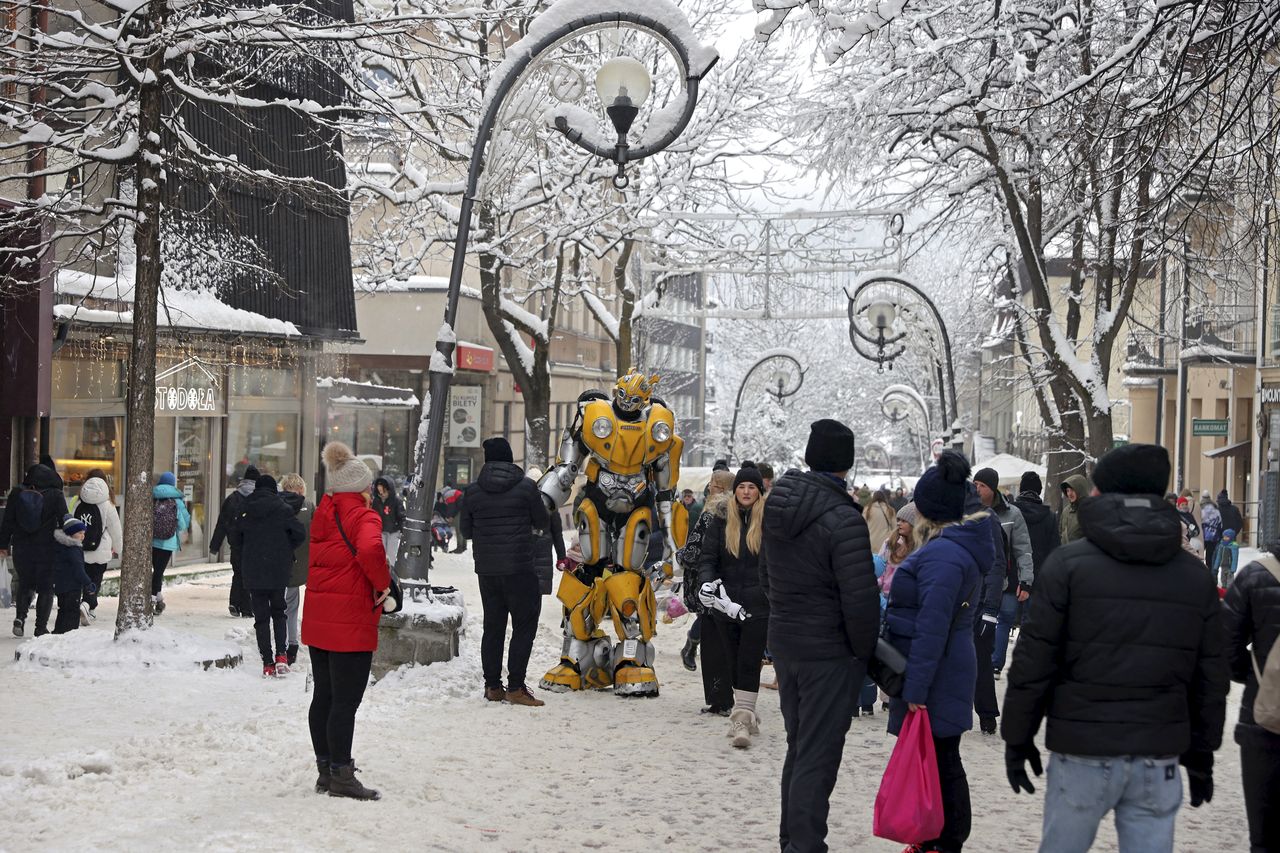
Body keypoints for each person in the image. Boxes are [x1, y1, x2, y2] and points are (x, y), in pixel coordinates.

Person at [1002, 444, 1228, 853]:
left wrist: (1018, 737)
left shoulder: (1068, 566)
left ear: (1101, 493)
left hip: (1082, 749)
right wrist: (1202, 751)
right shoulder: (1193, 577)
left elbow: (1034, 662)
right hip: (1156, 754)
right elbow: (1210, 675)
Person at [761, 419, 879, 853]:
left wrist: (787, 619)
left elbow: (766, 578)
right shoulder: (843, 518)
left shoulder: (777, 508)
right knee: (817, 755)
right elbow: (861, 600)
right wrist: (863, 655)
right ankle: (805, 846)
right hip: (829, 653)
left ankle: (792, 840)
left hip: (788, 644)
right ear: (845, 464)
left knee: (800, 749)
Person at [885, 451, 991, 853]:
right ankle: (935, 837)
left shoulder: (945, 554)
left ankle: (945, 840)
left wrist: (916, 688)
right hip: (943, 665)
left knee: (943, 760)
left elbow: (932, 626)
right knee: (940, 757)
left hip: (937, 670)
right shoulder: (952, 546)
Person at [303, 441, 390, 800]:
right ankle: (341, 773)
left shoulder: (324, 514)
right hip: (350, 621)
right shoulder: (364, 516)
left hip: (320, 619)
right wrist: (383, 584)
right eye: (368, 486)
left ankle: (326, 769)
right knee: (345, 701)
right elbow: (370, 550)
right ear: (359, 488)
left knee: (324, 695)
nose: (372, 491)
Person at [461, 437, 549, 707]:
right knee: (523, 626)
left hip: (487, 571)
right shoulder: (526, 488)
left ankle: (492, 686)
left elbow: (465, 532)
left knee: (493, 626)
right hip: (520, 568)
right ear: (510, 458)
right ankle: (516, 687)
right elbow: (542, 521)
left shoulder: (473, 492)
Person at [697, 463, 769, 748]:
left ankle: (741, 721)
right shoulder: (720, 520)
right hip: (725, 604)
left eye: (752, 487)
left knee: (749, 662)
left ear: (759, 492)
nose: (747, 492)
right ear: (734, 490)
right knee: (733, 663)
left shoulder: (768, 522)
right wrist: (706, 583)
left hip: (758, 604)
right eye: (742, 487)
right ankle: (748, 712)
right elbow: (707, 560)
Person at [1222, 541, 1280, 852]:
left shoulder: (1256, 577)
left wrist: (1258, 678)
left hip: (1264, 719)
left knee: (1264, 838)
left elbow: (1226, 644)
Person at [231, 474, 306, 677]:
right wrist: (285, 548)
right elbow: (300, 533)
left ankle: (267, 662)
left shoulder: (246, 507)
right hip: (277, 570)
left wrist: (247, 552)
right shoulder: (282, 508)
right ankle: (282, 656)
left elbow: (235, 537)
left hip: (253, 570)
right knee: (279, 612)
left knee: (261, 617)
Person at [677, 469, 735, 714]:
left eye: (712, 484)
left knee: (713, 648)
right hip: (730, 587)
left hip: (707, 584)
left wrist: (681, 556)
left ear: (719, 489)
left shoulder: (711, 514)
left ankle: (719, 699)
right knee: (727, 644)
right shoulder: (738, 513)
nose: (709, 488)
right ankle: (729, 696)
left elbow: (695, 550)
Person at [0, 463, 69, 637]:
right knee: (46, 587)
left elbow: (7, 521)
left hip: (22, 548)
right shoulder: (55, 495)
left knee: (25, 582)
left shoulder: (17, 493)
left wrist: (3, 545)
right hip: (47, 548)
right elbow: (64, 520)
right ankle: (40, 627)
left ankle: (20, 618)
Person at [73, 472, 122, 625]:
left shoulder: (79, 502)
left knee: (84, 579)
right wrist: (119, 549)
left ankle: (89, 608)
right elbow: (116, 529)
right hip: (100, 551)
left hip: (81, 549)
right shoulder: (108, 504)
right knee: (95, 580)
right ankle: (87, 604)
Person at [210, 465, 258, 617]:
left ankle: (234, 603)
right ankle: (246, 608)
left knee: (238, 574)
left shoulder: (232, 498)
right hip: (253, 544)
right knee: (249, 575)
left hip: (235, 544)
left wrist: (214, 546)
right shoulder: (259, 498)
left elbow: (222, 523)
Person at [279, 473, 313, 665]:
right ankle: (292, 644)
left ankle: (281, 645)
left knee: (276, 607)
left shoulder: (275, 505)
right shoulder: (309, 507)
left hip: (277, 563)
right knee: (292, 606)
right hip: (300, 564)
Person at [150, 472, 191, 615]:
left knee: (156, 571)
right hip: (167, 543)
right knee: (159, 572)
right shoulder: (177, 500)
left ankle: (158, 598)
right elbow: (183, 524)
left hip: (152, 541)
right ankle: (153, 599)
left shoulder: (152, 497)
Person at [526, 467, 567, 596]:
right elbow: (557, 534)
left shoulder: (521, 501)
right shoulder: (551, 503)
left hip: (525, 554)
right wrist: (561, 557)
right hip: (543, 553)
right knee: (536, 592)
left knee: (525, 592)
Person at [52, 515, 94, 634]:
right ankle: (69, 635)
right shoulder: (73, 549)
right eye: (79, 533)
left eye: (83, 533)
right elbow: (78, 570)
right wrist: (88, 583)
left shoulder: (61, 546)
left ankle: (58, 632)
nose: (83, 536)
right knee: (72, 612)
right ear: (71, 533)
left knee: (63, 611)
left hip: (62, 586)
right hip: (72, 586)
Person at [371, 476, 405, 567]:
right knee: (381, 553)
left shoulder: (396, 501)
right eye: (379, 492)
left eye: (383, 491)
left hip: (393, 531)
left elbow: (401, 516)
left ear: (389, 490)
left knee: (391, 555)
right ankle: (382, 572)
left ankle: (390, 573)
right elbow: (373, 515)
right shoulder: (376, 501)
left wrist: (402, 528)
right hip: (380, 531)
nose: (381, 494)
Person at [1057, 473, 1089, 545]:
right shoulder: (1066, 511)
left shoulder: (1090, 510)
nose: (1069, 494)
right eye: (1068, 490)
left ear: (1080, 490)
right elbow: (1060, 534)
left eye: (1072, 490)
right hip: (1065, 554)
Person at [863, 489, 896, 555]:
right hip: (885, 542)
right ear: (884, 498)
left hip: (871, 541)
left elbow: (863, 525)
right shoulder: (890, 510)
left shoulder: (867, 509)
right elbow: (895, 527)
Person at [1201, 490, 1223, 572]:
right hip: (1214, 537)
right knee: (1210, 557)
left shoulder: (1201, 509)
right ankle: (1209, 573)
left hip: (1203, 536)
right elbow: (1220, 523)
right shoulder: (1216, 509)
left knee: (1200, 555)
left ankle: (1202, 573)